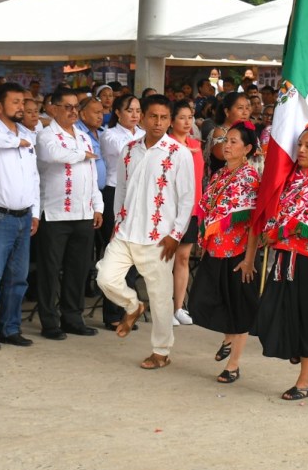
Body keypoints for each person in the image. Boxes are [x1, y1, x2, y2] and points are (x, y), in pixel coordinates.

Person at [96, 95, 195, 370]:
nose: (159, 123)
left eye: (165, 118)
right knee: (105, 277)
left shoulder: (179, 154)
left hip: (159, 237)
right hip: (126, 232)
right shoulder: (128, 151)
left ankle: (161, 352)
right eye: (154, 116)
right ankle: (132, 305)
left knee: (161, 297)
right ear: (143, 117)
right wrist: (117, 224)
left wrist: (175, 235)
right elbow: (122, 191)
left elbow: (187, 198)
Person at [251, 122, 308, 400]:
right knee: (272, 311)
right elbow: (278, 211)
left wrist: (281, 230)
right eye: (299, 145)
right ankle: (293, 350)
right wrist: (272, 227)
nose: (301, 150)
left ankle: (304, 382)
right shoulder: (290, 178)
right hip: (285, 257)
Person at [189, 122, 260, 383]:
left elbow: (254, 224)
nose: (226, 146)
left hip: (239, 254)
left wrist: (250, 259)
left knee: (239, 309)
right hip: (216, 250)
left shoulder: (250, 177)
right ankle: (228, 339)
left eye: (233, 142)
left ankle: (234, 365)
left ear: (248, 148)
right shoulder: (219, 175)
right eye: (225, 140)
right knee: (204, 301)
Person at [0, 82, 39, 350]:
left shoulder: (27, 133)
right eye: (15, 102)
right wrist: (18, 141)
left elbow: (34, 176)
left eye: (22, 102)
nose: (20, 107)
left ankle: (10, 328)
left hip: (24, 216)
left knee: (18, 277)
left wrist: (36, 211)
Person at [36, 87, 103, 340]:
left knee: (78, 269)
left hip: (83, 212)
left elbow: (92, 174)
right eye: (68, 106)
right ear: (53, 108)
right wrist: (81, 155)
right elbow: (52, 155)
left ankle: (73, 317)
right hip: (54, 214)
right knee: (50, 270)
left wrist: (98, 206)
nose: (73, 111)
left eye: (76, 107)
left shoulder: (84, 137)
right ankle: (49, 321)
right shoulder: (46, 135)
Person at [99, 95, 144, 330]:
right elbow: (131, 158)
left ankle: (129, 307)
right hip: (116, 193)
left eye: (138, 110)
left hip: (139, 196)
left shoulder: (143, 135)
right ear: (118, 112)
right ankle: (111, 312)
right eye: (130, 110)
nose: (135, 114)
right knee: (116, 252)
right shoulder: (111, 136)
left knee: (134, 255)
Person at [168, 99, 205, 327]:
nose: (187, 121)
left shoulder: (196, 143)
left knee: (183, 258)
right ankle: (164, 307)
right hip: (170, 210)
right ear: (172, 121)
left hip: (192, 209)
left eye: (190, 117)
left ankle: (178, 308)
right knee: (165, 259)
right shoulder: (166, 144)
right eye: (182, 117)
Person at [205, 91, 252, 179]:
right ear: (227, 111)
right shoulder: (220, 132)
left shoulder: (248, 131)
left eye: (247, 108)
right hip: (226, 186)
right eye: (240, 108)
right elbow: (223, 154)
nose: (245, 112)